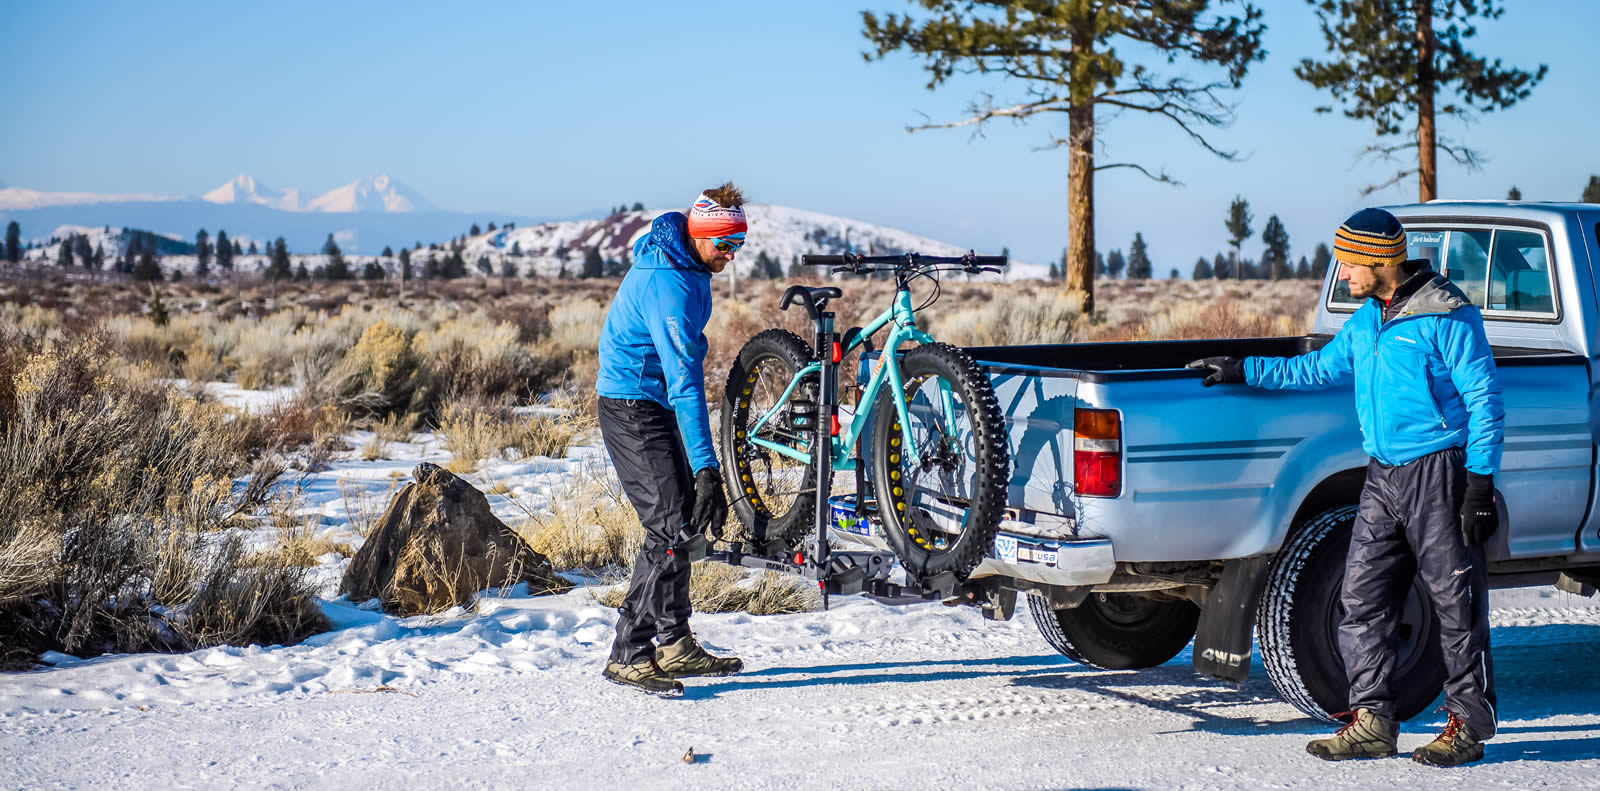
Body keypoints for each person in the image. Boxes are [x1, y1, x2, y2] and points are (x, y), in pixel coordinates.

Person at [1187, 207, 1504, 767]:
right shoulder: (1368, 319)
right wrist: (1244, 369)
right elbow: (1318, 369)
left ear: (1378, 260)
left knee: (1455, 604)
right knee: (1361, 598)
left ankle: (1467, 727)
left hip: (1439, 473)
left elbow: (1484, 400)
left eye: (1348, 263)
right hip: (1382, 476)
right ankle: (1373, 721)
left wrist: (1479, 483)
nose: (1342, 274)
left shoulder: (1447, 316)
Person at [593, 182, 749, 696]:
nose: (730, 254)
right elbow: (685, 382)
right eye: (724, 244)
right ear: (700, 234)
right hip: (632, 406)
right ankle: (629, 652)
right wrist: (707, 467)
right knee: (667, 525)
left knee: (683, 518)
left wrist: (702, 471)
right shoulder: (671, 283)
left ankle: (675, 641)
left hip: (652, 401)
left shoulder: (690, 266)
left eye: (738, 244)